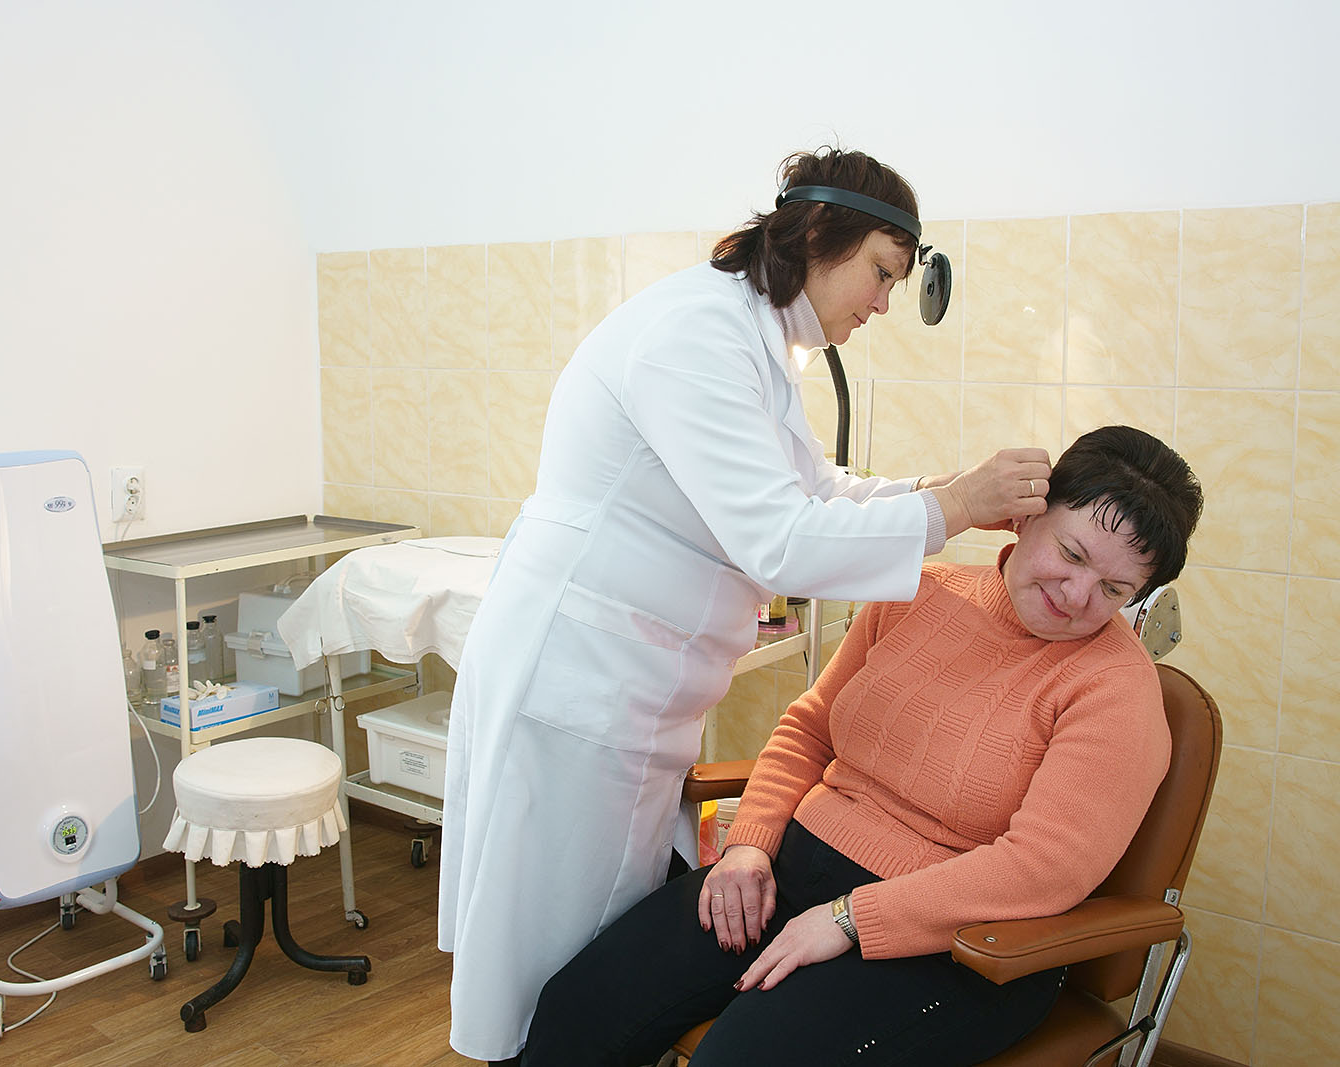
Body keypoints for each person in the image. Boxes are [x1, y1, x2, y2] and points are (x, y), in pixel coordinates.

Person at [439, 146, 1054, 1064]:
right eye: (881, 272)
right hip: (579, 681)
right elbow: (779, 539)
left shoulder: (758, 345)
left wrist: (942, 492)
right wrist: (955, 507)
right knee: (556, 967)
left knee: (601, 948)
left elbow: (812, 490)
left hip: (635, 689)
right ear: (819, 234)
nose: (884, 303)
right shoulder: (695, 335)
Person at [521, 425, 1205, 1067]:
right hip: (793, 869)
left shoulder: (1115, 690)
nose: (1077, 594)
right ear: (1025, 517)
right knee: (575, 1010)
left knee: (742, 1057)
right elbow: (810, 727)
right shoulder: (918, 593)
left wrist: (851, 920)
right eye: (1071, 554)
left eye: (1113, 589)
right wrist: (750, 844)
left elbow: (1043, 869)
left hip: (965, 943)